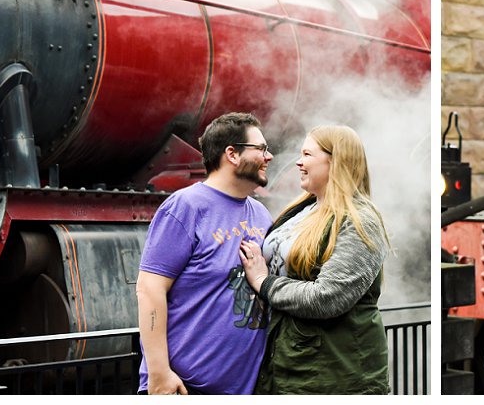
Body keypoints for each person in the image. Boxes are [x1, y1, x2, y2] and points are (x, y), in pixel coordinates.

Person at [237, 125, 391, 394]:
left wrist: (264, 282)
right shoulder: (304, 208)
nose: (298, 162)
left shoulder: (360, 221)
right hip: (290, 365)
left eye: (307, 154)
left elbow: (327, 297)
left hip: (336, 376)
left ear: (336, 161)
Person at [136, 112, 275, 395]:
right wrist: (159, 374)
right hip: (186, 388)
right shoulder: (185, 207)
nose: (269, 156)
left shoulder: (260, 214)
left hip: (246, 390)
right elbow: (150, 289)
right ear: (232, 154)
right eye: (260, 149)